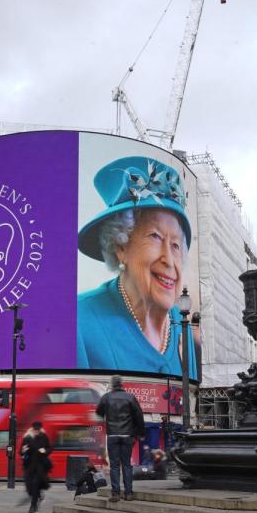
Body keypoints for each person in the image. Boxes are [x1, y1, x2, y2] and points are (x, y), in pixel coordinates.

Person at [76, 156, 197, 378]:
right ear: (120, 247)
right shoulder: (79, 321)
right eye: (155, 236)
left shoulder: (182, 323)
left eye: (176, 245)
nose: (169, 260)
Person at [96, 375, 146, 502]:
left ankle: (115, 493)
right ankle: (128, 493)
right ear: (121, 384)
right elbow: (139, 416)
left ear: (112, 384)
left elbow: (99, 412)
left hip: (112, 434)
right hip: (127, 435)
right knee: (127, 465)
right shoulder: (130, 397)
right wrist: (139, 433)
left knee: (114, 465)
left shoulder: (106, 397)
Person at [21, 422, 52, 513]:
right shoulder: (27, 438)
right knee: (29, 487)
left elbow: (49, 448)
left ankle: (33, 505)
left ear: (40, 430)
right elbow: (21, 451)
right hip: (29, 466)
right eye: (35, 430)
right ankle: (38, 495)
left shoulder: (44, 437)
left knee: (35, 484)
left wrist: (45, 451)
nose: (36, 431)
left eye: (38, 430)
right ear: (32, 429)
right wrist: (24, 450)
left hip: (40, 466)